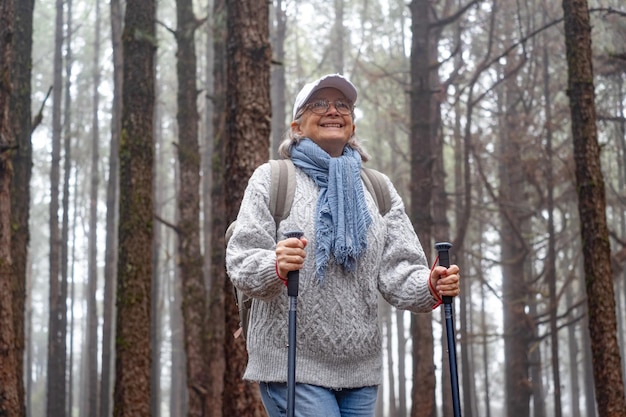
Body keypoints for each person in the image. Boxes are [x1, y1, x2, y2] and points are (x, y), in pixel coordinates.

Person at [225, 73, 461, 417]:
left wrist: (431, 283)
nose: (333, 110)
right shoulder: (273, 179)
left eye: (343, 105)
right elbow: (242, 258)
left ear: (351, 126)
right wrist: (275, 264)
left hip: (360, 370)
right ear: (297, 127)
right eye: (318, 104)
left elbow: (399, 269)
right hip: (291, 362)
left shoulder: (377, 189)